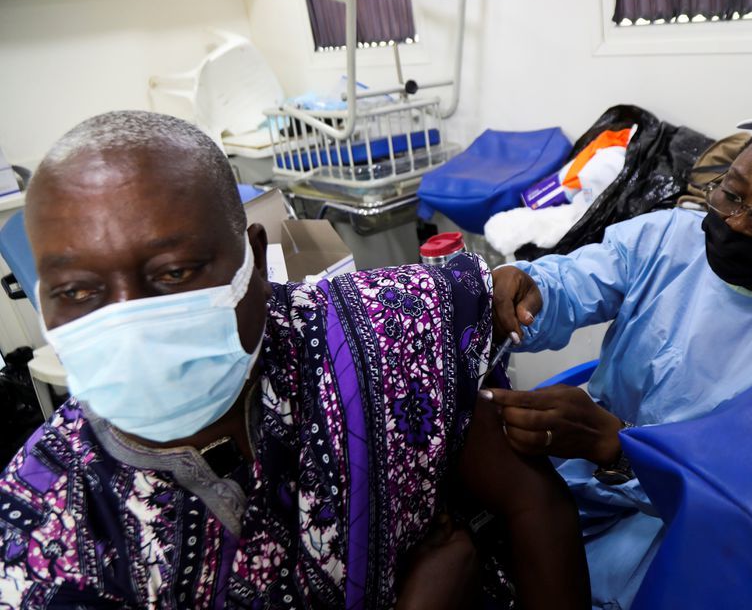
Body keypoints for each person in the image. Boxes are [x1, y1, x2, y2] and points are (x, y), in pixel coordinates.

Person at [0, 111, 590, 608]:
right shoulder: (46, 533)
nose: (129, 324)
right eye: (78, 291)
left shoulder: (386, 330)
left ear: (255, 260)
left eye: (174, 272)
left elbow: (533, 503)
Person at [483, 68, 752, 609]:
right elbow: (574, 281)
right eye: (730, 193)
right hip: (575, 472)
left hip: (674, 526)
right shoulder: (670, 236)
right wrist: (528, 290)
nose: (736, 223)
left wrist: (621, 450)